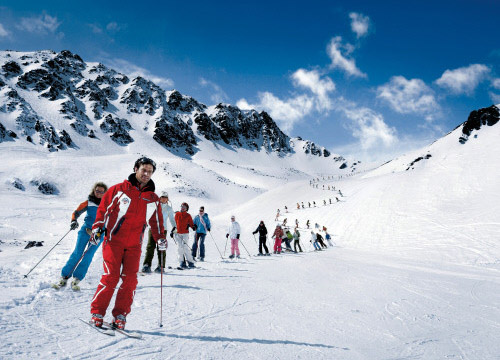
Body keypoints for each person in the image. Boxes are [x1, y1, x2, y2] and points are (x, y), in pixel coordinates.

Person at [89, 157, 166, 330]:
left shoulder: (153, 199)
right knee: (111, 277)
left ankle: (120, 315)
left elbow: (157, 222)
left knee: (130, 280)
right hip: (113, 241)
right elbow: (103, 210)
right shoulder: (119, 190)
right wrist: (98, 228)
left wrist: (160, 237)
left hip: (134, 245)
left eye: (150, 171)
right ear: (135, 169)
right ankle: (97, 313)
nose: (146, 174)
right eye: (143, 170)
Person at [52, 182, 108, 291]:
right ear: (94, 190)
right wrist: (74, 221)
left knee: (88, 255)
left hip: (98, 233)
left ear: (105, 193)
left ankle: (77, 278)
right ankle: (65, 276)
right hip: (86, 230)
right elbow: (76, 212)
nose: (99, 193)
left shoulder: (108, 205)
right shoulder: (88, 202)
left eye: (101, 192)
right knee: (78, 252)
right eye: (97, 191)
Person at [142, 191, 175, 274]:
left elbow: (172, 219)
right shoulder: (154, 206)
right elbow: (147, 215)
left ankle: (161, 266)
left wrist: (174, 227)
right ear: (159, 198)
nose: (163, 199)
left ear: (167, 199)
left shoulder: (169, 208)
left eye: (165, 197)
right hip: (153, 228)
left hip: (163, 230)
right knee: (150, 246)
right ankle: (147, 265)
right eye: (162, 197)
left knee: (161, 247)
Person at [172, 202, 196, 269]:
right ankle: (182, 262)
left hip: (185, 233)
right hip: (178, 233)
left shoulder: (188, 215)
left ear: (186, 209)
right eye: (182, 206)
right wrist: (172, 231)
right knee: (179, 248)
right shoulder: (177, 214)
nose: (183, 208)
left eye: (184, 207)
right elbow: (174, 224)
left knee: (185, 247)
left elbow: (191, 223)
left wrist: (193, 227)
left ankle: (190, 262)